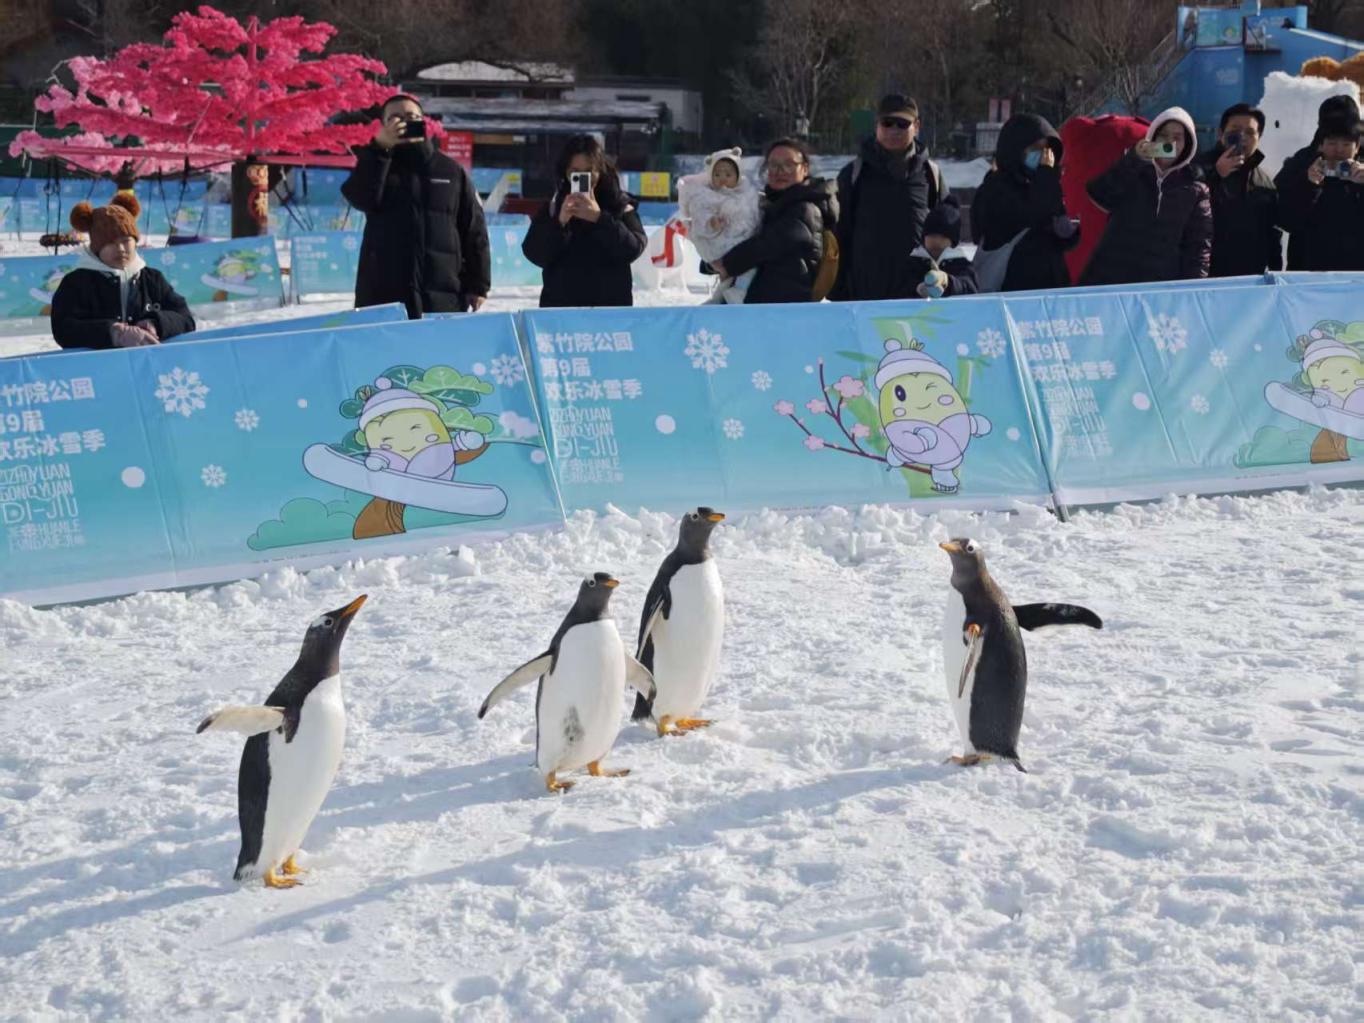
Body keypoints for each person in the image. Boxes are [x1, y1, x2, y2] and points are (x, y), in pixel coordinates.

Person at [341, 93, 490, 319]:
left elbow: (474, 229)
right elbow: (361, 199)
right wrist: (379, 150)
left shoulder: (450, 170)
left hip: (443, 293)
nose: (404, 123)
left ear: (423, 121)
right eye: (395, 118)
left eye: (411, 117)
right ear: (383, 125)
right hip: (384, 292)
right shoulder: (376, 165)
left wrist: (478, 284)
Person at [830, 94, 946, 301]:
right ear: (877, 125)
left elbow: (946, 234)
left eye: (902, 124)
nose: (894, 130)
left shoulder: (931, 174)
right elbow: (839, 236)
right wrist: (839, 292)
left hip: (919, 298)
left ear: (916, 126)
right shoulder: (854, 174)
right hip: (864, 299)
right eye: (887, 123)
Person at [1079, 106, 1212, 286]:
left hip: (1159, 288)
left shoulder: (1196, 188)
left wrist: (1191, 290)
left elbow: (1199, 247)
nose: (1169, 143)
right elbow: (1099, 194)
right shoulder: (1133, 171)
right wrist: (1133, 159)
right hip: (1110, 280)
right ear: (1152, 137)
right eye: (1163, 135)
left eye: (1177, 138)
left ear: (1187, 144)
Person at [51, 193, 195, 349]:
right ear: (97, 248)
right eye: (110, 243)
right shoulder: (76, 283)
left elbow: (185, 318)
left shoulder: (152, 279)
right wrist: (115, 333)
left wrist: (156, 324)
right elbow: (63, 329)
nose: (120, 249)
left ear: (135, 242)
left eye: (126, 241)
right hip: (98, 363)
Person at [522, 134, 648, 308]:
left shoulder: (619, 205)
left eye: (588, 172)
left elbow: (634, 249)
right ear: (566, 172)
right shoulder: (554, 207)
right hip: (561, 314)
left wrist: (599, 218)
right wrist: (560, 223)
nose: (582, 178)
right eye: (575, 172)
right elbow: (534, 253)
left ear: (600, 171)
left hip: (609, 313)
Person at [709, 137, 838, 305]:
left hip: (784, 307)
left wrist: (727, 264)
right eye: (773, 165)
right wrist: (712, 259)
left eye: (789, 164)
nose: (780, 171)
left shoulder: (805, 209)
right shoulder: (768, 206)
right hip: (760, 305)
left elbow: (770, 243)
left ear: (804, 168)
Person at [970, 113, 1078, 292]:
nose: (1043, 157)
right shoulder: (996, 188)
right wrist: (1046, 176)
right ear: (1016, 150)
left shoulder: (1043, 183)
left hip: (1050, 290)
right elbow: (1032, 215)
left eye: (1046, 149)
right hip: (1013, 290)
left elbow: (1059, 232)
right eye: (1036, 149)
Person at [1275, 95, 1364, 271]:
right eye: (1332, 142)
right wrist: (1308, 185)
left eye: (1346, 143)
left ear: (1357, 145)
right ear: (1321, 142)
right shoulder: (1301, 162)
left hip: (1357, 275)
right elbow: (1283, 219)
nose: (1339, 150)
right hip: (1308, 271)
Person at [1197, 103, 1282, 277]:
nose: (1242, 137)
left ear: (1259, 137)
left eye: (1250, 132)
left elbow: (1272, 234)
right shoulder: (1197, 168)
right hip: (1204, 277)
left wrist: (1275, 272)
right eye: (1235, 130)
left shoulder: (1265, 183)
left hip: (1249, 280)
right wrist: (1216, 175)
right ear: (1220, 133)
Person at [677, 147, 761, 303]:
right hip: (721, 243)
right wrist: (711, 222)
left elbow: (753, 213)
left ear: (738, 175)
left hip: (742, 240)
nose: (723, 179)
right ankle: (734, 292)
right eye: (717, 175)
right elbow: (699, 217)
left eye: (728, 175)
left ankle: (729, 294)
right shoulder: (704, 195)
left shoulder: (747, 192)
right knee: (742, 267)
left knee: (748, 268)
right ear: (710, 175)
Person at [909, 196, 977, 298]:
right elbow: (898, 288)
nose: (936, 241)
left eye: (943, 237)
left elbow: (970, 287)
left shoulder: (962, 265)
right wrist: (917, 288)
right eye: (931, 235)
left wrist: (947, 281)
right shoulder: (912, 263)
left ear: (952, 241)